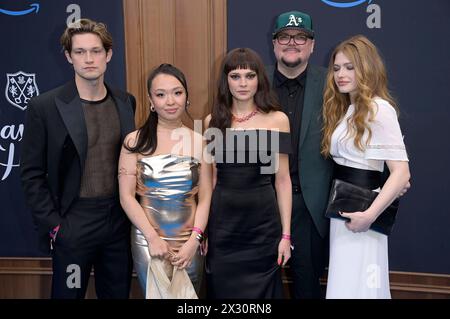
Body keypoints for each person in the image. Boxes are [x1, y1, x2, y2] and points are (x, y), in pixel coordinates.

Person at [20, 19, 136, 299]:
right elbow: (31, 174)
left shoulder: (125, 102)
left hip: (118, 222)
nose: (88, 59)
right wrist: (56, 225)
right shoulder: (45, 107)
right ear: (69, 57)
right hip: (73, 223)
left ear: (108, 55)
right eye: (80, 52)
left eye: (95, 51)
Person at [321, 35, 410, 298]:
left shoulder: (379, 109)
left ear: (367, 67)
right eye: (336, 68)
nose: (341, 74)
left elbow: (402, 172)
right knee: (345, 285)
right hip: (343, 212)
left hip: (365, 216)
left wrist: (369, 216)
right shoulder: (349, 109)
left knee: (363, 286)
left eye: (350, 67)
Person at [204, 48, 292, 299]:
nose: (243, 83)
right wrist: (205, 229)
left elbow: (283, 180)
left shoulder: (278, 120)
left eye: (250, 75)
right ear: (225, 80)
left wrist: (286, 235)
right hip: (223, 228)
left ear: (259, 80)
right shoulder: (213, 120)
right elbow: (211, 180)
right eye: (235, 76)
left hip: (263, 228)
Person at [118, 63, 212, 297]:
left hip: (190, 244)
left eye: (177, 93)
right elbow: (126, 197)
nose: (170, 101)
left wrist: (194, 240)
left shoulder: (200, 142)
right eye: (161, 95)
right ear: (151, 101)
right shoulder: (134, 141)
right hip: (147, 242)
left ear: (186, 97)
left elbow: (206, 197)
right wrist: (152, 238)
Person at [268, 10, 333, 298]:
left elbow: (360, 128)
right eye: (284, 36)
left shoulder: (333, 84)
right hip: (264, 204)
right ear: (274, 43)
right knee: (263, 285)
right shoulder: (253, 84)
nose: (292, 42)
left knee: (308, 286)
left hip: (311, 207)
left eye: (300, 37)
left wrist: (390, 173)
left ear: (312, 44)